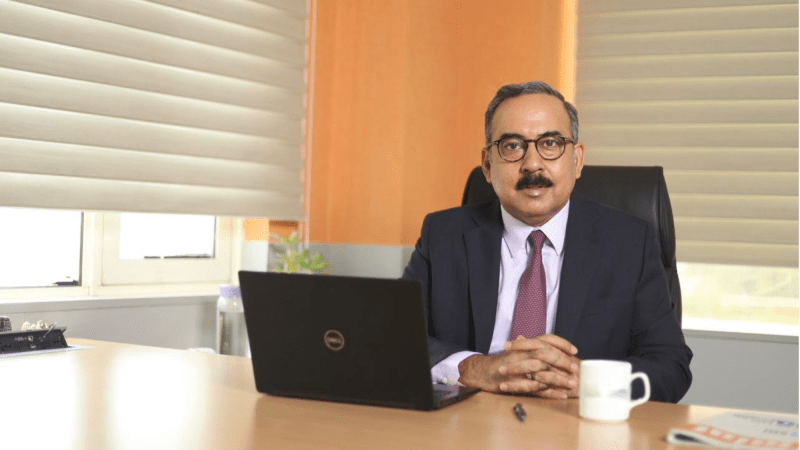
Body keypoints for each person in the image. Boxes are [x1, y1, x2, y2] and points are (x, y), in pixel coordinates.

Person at [402, 81, 692, 403]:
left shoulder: (629, 243)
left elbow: (672, 366)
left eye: (550, 143)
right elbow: (395, 337)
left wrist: (591, 381)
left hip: (576, 421)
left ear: (577, 160)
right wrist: (471, 368)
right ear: (487, 164)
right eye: (512, 145)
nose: (532, 164)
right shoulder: (442, 235)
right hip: (471, 419)